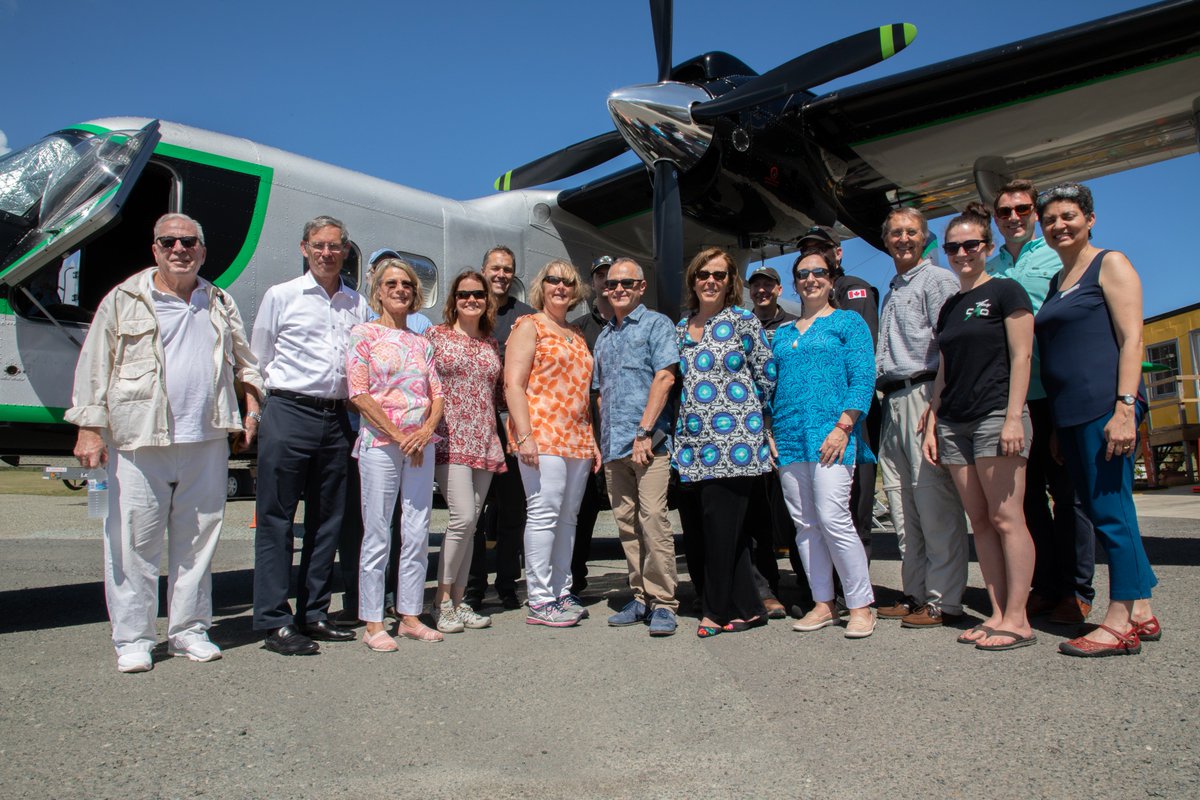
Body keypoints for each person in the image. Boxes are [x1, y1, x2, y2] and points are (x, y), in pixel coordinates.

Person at [67, 213, 264, 672]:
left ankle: (189, 629)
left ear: (203, 250)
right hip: (139, 437)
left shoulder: (217, 300)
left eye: (189, 242)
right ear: (154, 249)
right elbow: (96, 364)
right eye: (169, 242)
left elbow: (246, 362)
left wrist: (252, 407)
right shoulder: (125, 298)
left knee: (198, 540)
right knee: (133, 539)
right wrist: (89, 426)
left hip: (207, 436)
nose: (180, 249)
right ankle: (133, 637)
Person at [1034, 182, 1160, 657]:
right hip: (1072, 415)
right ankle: (1142, 610)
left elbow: (1132, 340)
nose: (1059, 225)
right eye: (1050, 220)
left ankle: (1118, 620)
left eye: (1068, 216)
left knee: (1111, 512)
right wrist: (1061, 429)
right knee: (1103, 508)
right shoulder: (1058, 282)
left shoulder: (1111, 263)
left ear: (1090, 219)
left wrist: (1125, 408)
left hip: (1106, 407)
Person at [251, 215, 370, 655]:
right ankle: (274, 619)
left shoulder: (357, 304)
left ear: (345, 250)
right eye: (318, 245)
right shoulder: (281, 296)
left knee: (327, 522)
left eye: (335, 246)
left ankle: (314, 612)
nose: (326, 253)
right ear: (304, 248)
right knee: (277, 518)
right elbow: (261, 358)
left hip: (338, 419)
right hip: (289, 411)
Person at [922, 204, 1037, 651]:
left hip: (995, 414)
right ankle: (996, 612)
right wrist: (933, 418)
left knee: (1008, 518)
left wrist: (1013, 416)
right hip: (954, 420)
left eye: (971, 244)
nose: (962, 252)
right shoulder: (951, 305)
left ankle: (1019, 618)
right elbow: (945, 369)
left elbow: (1022, 356)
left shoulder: (1007, 291)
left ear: (987, 247)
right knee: (981, 522)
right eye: (953, 247)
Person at [986, 180, 1096, 625]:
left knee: (1067, 497)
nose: (1013, 217)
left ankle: (1075, 589)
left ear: (1034, 214)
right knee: (1025, 500)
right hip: (1010, 399)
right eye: (1004, 212)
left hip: (1052, 393)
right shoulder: (989, 266)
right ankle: (1045, 585)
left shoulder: (1057, 255)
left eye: (1022, 209)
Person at [770, 250, 877, 639]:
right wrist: (768, 430)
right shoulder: (782, 333)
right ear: (795, 281)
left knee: (834, 518)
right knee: (805, 525)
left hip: (832, 435)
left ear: (832, 279)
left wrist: (845, 425)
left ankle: (861, 605)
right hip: (788, 436)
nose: (810, 279)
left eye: (818, 272)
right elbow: (770, 386)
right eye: (803, 274)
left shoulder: (848, 323)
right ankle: (822, 603)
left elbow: (863, 377)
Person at [875, 208, 970, 629]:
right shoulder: (894, 287)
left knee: (933, 500)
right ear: (886, 240)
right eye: (895, 232)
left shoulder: (938, 281)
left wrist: (937, 403)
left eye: (911, 232)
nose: (903, 239)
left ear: (925, 238)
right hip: (892, 398)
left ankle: (944, 600)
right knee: (901, 502)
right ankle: (914, 592)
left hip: (923, 390)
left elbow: (950, 344)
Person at [674, 247, 775, 638]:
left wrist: (752, 421)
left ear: (730, 281)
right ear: (693, 281)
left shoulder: (743, 321)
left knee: (720, 530)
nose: (710, 281)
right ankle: (749, 607)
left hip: (735, 444)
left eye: (719, 275)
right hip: (692, 448)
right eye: (703, 274)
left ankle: (715, 612)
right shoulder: (681, 328)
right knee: (709, 532)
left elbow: (765, 376)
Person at [348, 258, 445, 649]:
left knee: (417, 530)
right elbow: (358, 393)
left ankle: (409, 614)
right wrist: (398, 434)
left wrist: (423, 432)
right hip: (381, 445)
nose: (400, 289)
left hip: (420, 446)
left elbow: (437, 394)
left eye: (406, 284)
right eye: (392, 284)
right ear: (379, 291)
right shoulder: (364, 334)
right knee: (377, 531)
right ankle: (373, 621)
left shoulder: (423, 342)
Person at [505, 259, 600, 627]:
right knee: (544, 515)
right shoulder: (529, 326)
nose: (560, 286)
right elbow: (513, 384)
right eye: (552, 280)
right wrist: (524, 435)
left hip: (576, 437)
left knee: (568, 518)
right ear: (541, 287)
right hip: (541, 434)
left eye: (567, 281)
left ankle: (561, 590)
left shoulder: (575, 334)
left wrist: (591, 440)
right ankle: (541, 598)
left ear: (575, 290)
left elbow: (582, 393)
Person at [592, 258, 680, 636]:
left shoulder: (656, 324)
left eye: (627, 283)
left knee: (653, 520)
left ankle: (663, 602)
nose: (619, 290)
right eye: (612, 285)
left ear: (641, 287)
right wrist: (603, 440)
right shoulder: (604, 336)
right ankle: (640, 596)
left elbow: (665, 377)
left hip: (649, 443)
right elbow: (599, 393)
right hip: (614, 447)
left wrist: (643, 432)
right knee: (626, 525)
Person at [425, 270, 507, 633]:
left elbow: (501, 395)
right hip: (450, 438)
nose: (470, 299)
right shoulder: (436, 337)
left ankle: (460, 602)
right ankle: (441, 601)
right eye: (463, 294)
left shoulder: (491, 344)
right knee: (460, 518)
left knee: (472, 523)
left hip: (485, 439)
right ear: (453, 300)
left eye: (477, 294)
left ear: (487, 300)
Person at [798, 226, 881, 567]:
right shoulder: (805, 311)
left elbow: (861, 361)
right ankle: (826, 586)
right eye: (807, 254)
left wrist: (847, 420)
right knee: (818, 511)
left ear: (838, 253)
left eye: (822, 251)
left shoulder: (854, 290)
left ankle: (856, 594)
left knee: (853, 502)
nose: (813, 274)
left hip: (850, 414)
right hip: (815, 416)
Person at [465, 246, 534, 611]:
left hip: (509, 425)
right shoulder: (469, 310)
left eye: (508, 269)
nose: (501, 275)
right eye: (495, 268)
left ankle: (507, 583)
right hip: (475, 426)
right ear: (484, 270)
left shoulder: (527, 318)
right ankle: (474, 587)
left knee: (512, 511)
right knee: (473, 513)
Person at [742, 265, 796, 618]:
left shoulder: (794, 325)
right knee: (758, 511)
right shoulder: (742, 325)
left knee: (795, 511)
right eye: (755, 286)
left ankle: (812, 589)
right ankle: (764, 587)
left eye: (767, 285)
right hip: (754, 428)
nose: (761, 291)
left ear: (778, 289)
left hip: (789, 424)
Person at [567, 255, 615, 600]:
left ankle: (643, 584)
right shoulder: (578, 329)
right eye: (601, 276)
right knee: (582, 510)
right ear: (594, 283)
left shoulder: (640, 325)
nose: (608, 283)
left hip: (626, 430)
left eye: (614, 277)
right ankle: (574, 578)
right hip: (587, 429)